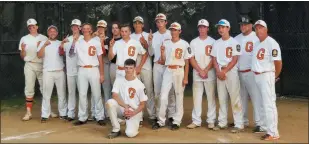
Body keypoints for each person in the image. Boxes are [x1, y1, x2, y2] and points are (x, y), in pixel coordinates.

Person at [152, 22, 191, 131]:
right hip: (168, 70)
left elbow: (187, 62)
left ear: (180, 31)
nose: (173, 31)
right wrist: (162, 53)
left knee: (179, 96)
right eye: (172, 30)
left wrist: (186, 77)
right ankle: (161, 120)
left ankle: (177, 121)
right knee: (163, 96)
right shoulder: (166, 43)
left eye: (175, 30)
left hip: (179, 70)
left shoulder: (184, 44)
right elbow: (163, 61)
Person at [19, 18, 57, 121]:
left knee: (44, 88)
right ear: (28, 28)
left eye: (33, 26)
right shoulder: (24, 39)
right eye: (30, 27)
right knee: (29, 88)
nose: (32, 28)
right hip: (29, 64)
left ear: (37, 26)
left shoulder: (44, 38)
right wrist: (22, 50)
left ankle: (48, 111)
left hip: (41, 65)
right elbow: (22, 56)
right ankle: (28, 112)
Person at [210, 19, 244, 133]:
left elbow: (235, 59)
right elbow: (214, 59)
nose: (220, 29)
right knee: (222, 98)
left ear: (228, 28)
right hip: (220, 71)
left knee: (235, 97)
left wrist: (224, 71)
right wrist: (219, 71)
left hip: (231, 72)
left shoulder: (234, 42)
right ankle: (222, 122)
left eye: (223, 27)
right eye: (219, 27)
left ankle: (239, 124)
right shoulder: (216, 42)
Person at [234, 16, 265, 132]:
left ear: (251, 25)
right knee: (241, 98)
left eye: (245, 24)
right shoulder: (236, 38)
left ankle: (260, 123)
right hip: (239, 72)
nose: (243, 26)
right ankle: (242, 121)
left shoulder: (256, 38)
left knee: (256, 98)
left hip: (252, 72)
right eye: (241, 24)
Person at [252, 20, 282, 140]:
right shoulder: (257, 43)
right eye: (257, 28)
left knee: (269, 104)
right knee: (261, 103)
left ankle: (273, 132)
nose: (259, 30)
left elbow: (278, 62)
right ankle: (265, 126)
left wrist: (275, 75)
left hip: (266, 75)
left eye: (261, 28)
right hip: (258, 76)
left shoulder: (271, 43)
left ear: (266, 29)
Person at [73, 23, 106, 126]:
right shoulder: (78, 42)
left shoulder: (96, 42)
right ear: (81, 30)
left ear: (91, 30)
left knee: (97, 94)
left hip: (94, 69)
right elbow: (71, 53)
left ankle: (99, 116)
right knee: (82, 94)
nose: (86, 30)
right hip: (82, 69)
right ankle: (82, 117)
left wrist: (101, 74)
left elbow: (100, 59)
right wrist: (74, 41)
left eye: (88, 28)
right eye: (84, 28)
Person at [186, 19, 217, 129]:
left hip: (210, 73)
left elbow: (214, 59)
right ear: (198, 28)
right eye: (200, 27)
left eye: (204, 27)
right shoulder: (193, 42)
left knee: (211, 97)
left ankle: (211, 120)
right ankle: (196, 120)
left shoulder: (213, 41)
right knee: (197, 97)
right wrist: (200, 70)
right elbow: (191, 58)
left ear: (208, 29)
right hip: (197, 73)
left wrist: (206, 70)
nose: (202, 29)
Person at [106, 59, 148, 139]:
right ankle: (116, 129)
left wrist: (133, 113)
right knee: (110, 102)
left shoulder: (140, 85)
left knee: (130, 134)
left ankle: (131, 121)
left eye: (131, 68)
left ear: (134, 69)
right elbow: (114, 95)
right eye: (126, 68)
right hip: (123, 107)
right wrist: (125, 106)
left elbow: (143, 105)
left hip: (134, 111)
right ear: (124, 68)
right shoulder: (118, 80)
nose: (128, 70)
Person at [148, 13, 176, 126]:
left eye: (162, 21)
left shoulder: (171, 34)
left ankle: (172, 115)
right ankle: (160, 116)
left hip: (169, 66)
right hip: (158, 66)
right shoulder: (153, 35)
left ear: (166, 22)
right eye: (158, 21)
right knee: (158, 92)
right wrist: (149, 42)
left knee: (171, 92)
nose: (159, 23)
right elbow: (150, 53)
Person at [37, 25, 67, 122]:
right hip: (48, 72)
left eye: (54, 31)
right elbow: (39, 55)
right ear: (48, 33)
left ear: (57, 33)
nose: (52, 33)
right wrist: (45, 45)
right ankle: (45, 115)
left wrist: (62, 45)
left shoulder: (60, 43)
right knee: (46, 94)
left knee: (61, 94)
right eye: (50, 31)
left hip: (59, 71)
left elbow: (62, 54)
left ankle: (63, 113)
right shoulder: (42, 43)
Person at [130, 16, 156, 125]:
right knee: (136, 92)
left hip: (146, 67)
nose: (137, 25)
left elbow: (151, 53)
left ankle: (152, 115)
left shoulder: (148, 35)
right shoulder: (130, 36)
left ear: (143, 25)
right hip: (134, 68)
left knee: (148, 91)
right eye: (135, 23)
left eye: (139, 23)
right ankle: (138, 117)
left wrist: (146, 42)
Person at [60, 19, 84, 121]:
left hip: (81, 69)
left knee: (82, 93)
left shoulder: (84, 38)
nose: (74, 27)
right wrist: (62, 44)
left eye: (76, 26)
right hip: (70, 69)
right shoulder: (67, 39)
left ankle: (83, 114)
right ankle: (71, 113)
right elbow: (65, 53)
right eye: (73, 26)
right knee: (71, 92)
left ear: (80, 28)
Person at [91, 20, 111, 120]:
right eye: (99, 27)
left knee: (106, 90)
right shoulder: (92, 39)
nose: (100, 29)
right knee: (94, 91)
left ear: (106, 29)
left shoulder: (108, 39)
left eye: (102, 27)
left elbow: (105, 54)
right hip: (94, 67)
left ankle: (108, 113)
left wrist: (102, 41)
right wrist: (94, 36)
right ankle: (94, 112)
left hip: (105, 65)